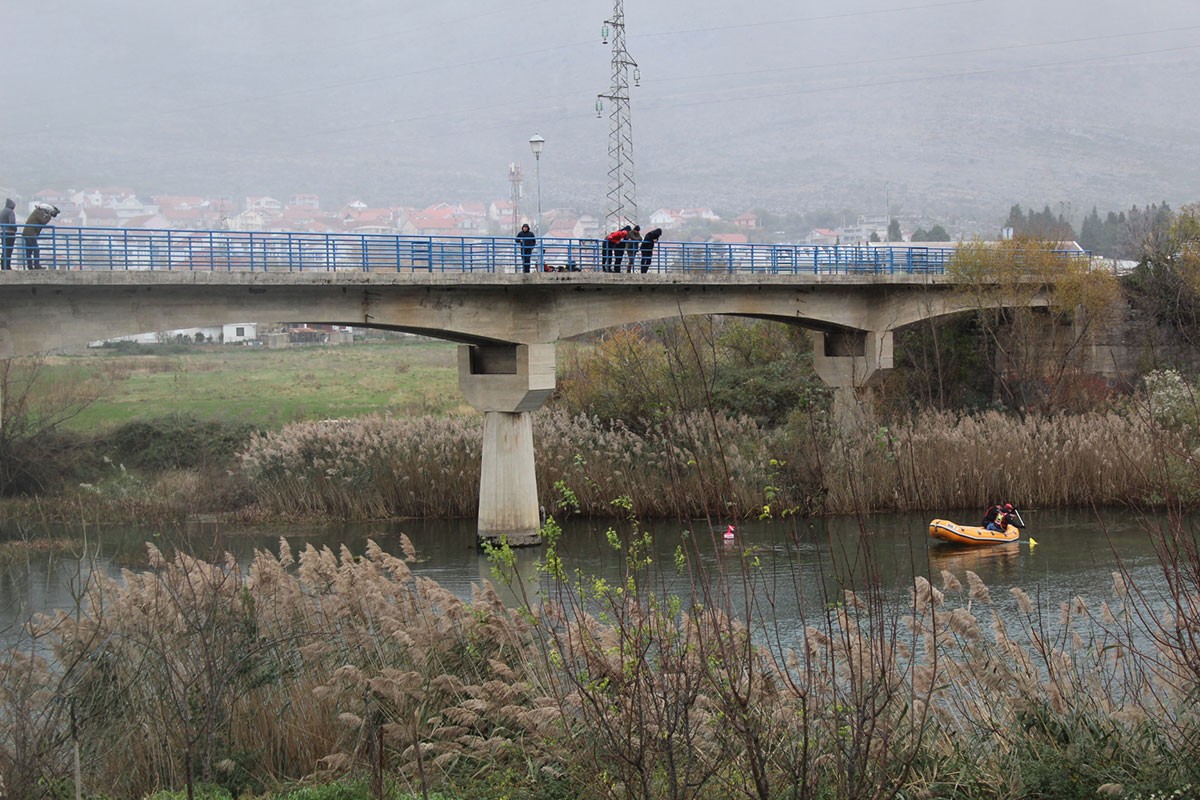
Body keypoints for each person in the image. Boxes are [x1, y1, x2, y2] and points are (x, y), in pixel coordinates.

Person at [22, 204, 59, 270]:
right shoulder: (38, 212)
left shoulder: (37, 211)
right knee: (36, 249)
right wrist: (49, 215)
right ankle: (36, 265)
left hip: (27, 233)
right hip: (30, 233)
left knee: (29, 250)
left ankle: (30, 266)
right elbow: (43, 221)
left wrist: (48, 215)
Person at [0, 198, 16, 271]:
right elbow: (12, 222)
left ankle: (3, 265)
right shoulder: (10, 211)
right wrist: (15, 228)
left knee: (4, 250)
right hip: (10, 233)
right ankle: (7, 266)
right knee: (9, 250)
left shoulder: (2, 211)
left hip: (3, 232)